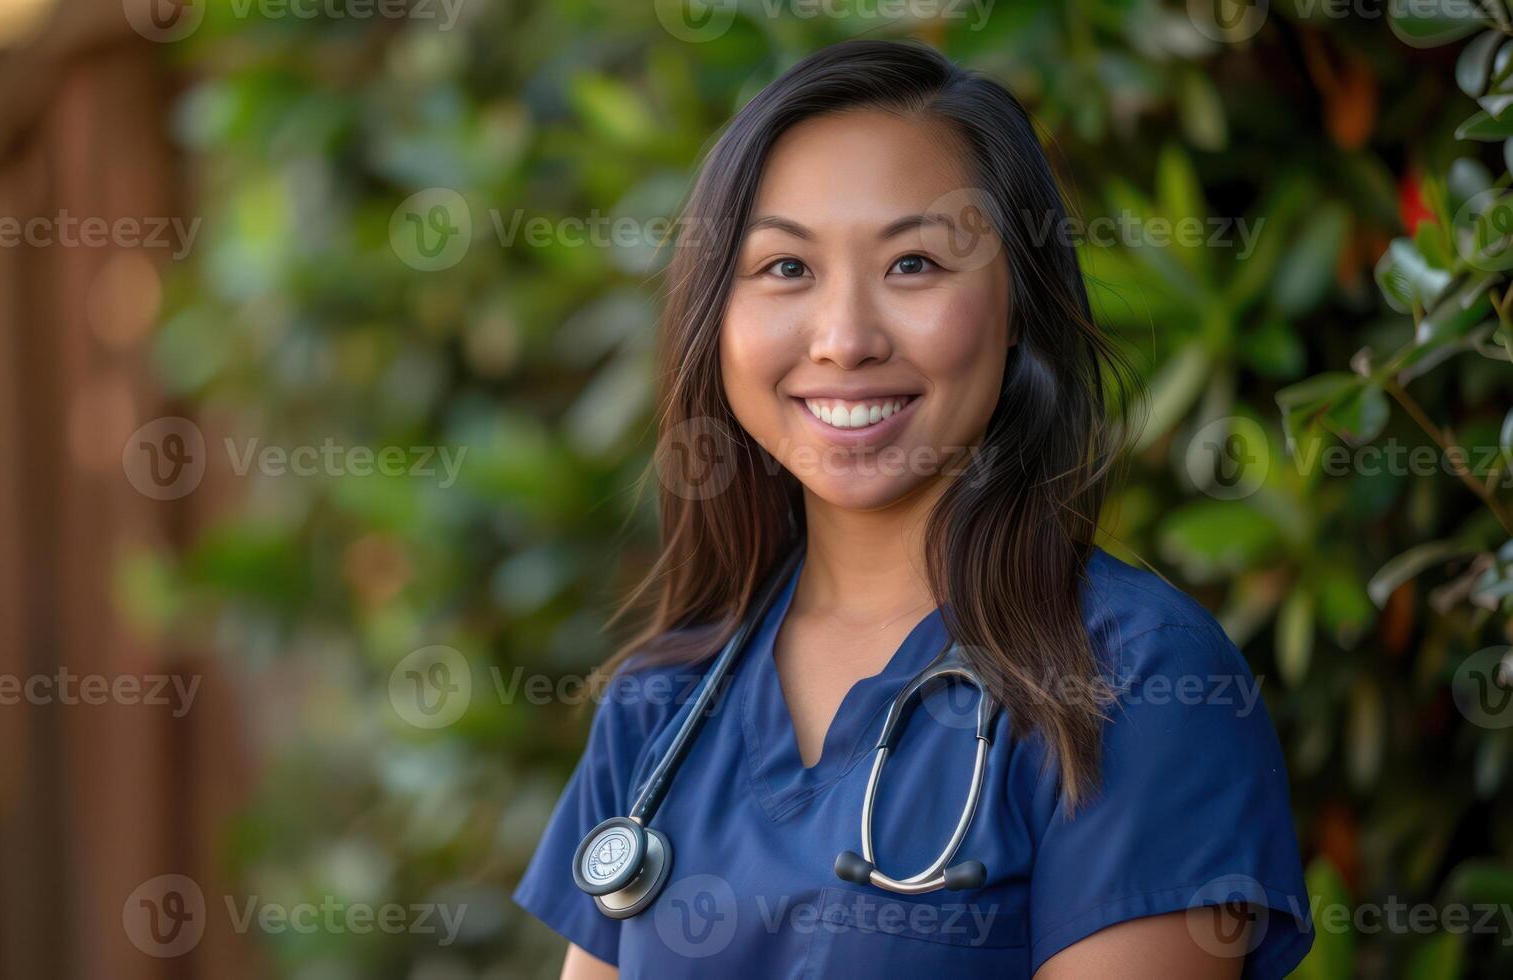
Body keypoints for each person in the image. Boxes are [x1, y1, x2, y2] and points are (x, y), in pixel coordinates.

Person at [513, 38, 1312, 978]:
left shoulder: (1137, 684)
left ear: (1018, 304)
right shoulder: (660, 705)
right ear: (713, 318)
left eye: (914, 264)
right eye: (783, 268)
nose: (844, 340)